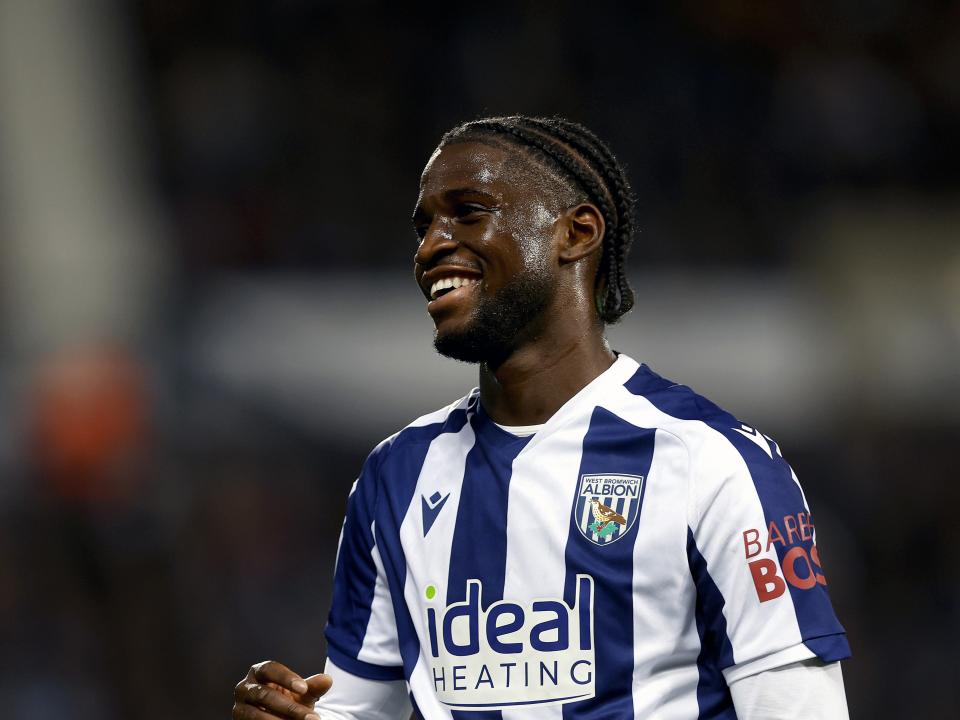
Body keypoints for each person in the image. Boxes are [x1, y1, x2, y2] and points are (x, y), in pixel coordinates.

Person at [231, 116, 850, 719]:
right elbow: (360, 708)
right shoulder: (396, 476)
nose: (430, 247)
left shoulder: (712, 462)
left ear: (576, 233)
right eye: (423, 227)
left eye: (468, 212)